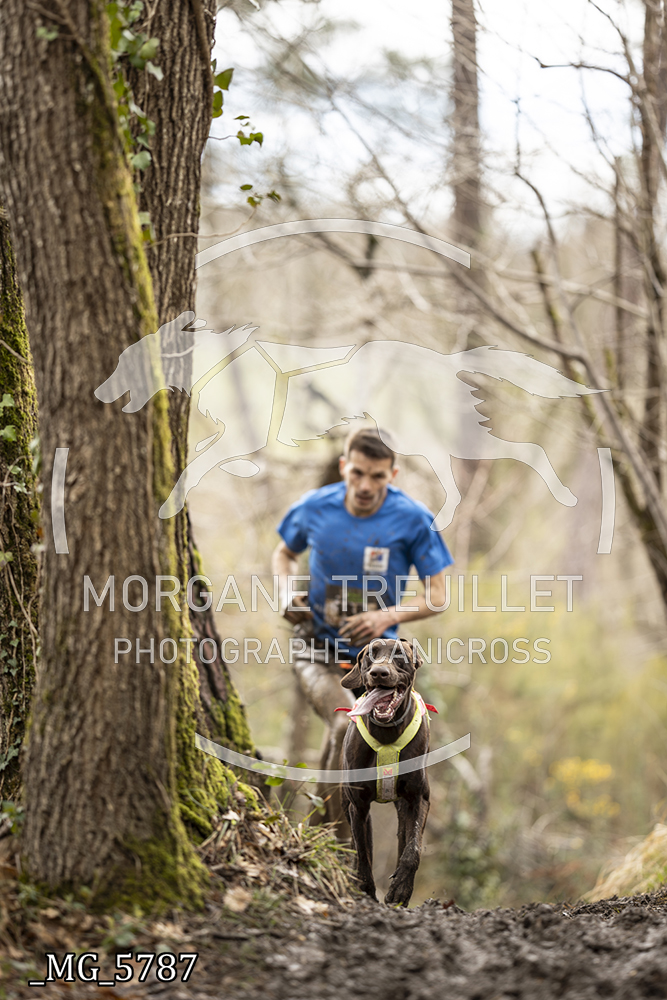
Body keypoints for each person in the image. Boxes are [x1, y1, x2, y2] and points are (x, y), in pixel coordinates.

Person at [271, 427, 453, 832]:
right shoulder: (315, 507)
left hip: (376, 662)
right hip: (317, 648)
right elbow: (283, 554)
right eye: (357, 473)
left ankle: (319, 837)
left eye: (377, 476)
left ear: (393, 474)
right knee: (344, 724)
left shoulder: (413, 519)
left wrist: (384, 616)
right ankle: (334, 846)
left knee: (346, 739)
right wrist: (284, 593)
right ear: (343, 467)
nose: (366, 485)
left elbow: (438, 595)